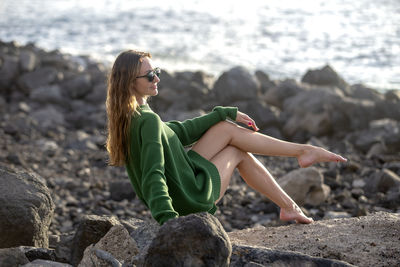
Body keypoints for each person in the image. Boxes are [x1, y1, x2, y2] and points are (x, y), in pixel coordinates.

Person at [105, 50, 347, 225]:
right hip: (188, 197)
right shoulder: (145, 120)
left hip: (182, 180)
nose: (157, 78)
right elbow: (152, 173)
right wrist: (167, 220)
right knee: (237, 151)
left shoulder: (133, 116)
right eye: (149, 76)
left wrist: (223, 113)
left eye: (156, 72)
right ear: (129, 83)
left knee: (225, 128)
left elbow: (178, 132)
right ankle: (292, 194)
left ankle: (300, 163)